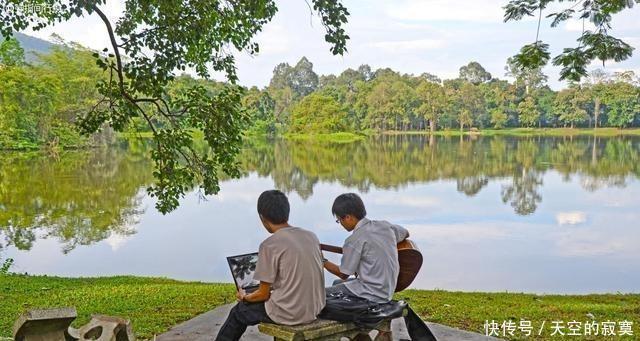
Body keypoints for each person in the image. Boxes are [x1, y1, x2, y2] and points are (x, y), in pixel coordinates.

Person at [215, 190, 325, 341]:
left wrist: (245, 297)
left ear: (262, 218)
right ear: (287, 212)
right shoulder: (311, 236)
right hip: (314, 309)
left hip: (289, 314)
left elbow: (263, 294)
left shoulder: (269, 245)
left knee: (239, 312)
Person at [323, 193, 410, 303]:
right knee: (336, 283)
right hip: (387, 290)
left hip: (370, 292)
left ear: (348, 217)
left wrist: (322, 261)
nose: (340, 223)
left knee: (321, 293)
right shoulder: (385, 226)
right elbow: (406, 233)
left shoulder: (354, 240)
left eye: (339, 220)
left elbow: (343, 274)